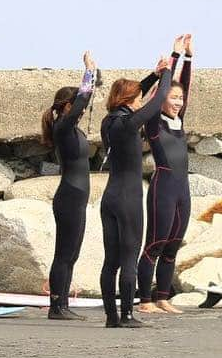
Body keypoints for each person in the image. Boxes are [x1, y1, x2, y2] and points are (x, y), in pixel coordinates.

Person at [100, 54, 172, 328]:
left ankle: (111, 317)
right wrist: (166, 72)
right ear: (130, 101)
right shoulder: (130, 123)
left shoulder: (109, 121)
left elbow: (141, 96)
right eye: (137, 97)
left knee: (111, 262)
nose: (141, 100)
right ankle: (128, 315)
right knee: (129, 258)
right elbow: (159, 99)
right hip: (129, 198)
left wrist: (153, 74)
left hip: (109, 198)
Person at [136, 35, 195, 315]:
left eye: (180, 99)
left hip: (182, 188)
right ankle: (145, 300)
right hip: (163, 187)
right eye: (173, 98)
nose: (178, 102)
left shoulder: (178, 120)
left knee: (173, 245)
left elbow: (186, 87)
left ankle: (162, 297)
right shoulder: (154, 122)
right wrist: (173, 56)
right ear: (162, 100)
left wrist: (189, 58)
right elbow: (160, 92)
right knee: (155, 244)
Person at [40, 50, 98, 320]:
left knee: (72, 253)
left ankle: (63, 304)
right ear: (65, 106)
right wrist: (88, 71)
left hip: (77, 197)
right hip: (69, 197)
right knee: (63, 253)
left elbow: (88, 98)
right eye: (75, 105)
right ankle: (56, 306)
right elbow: (84, 96)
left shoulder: (73, 129)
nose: (81, 109)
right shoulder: (63, 127)